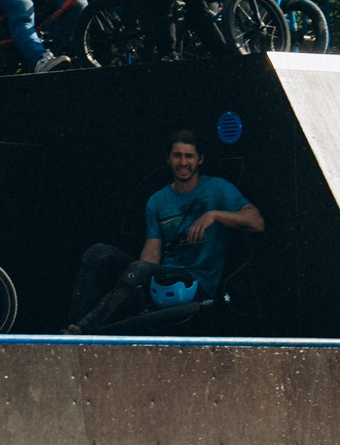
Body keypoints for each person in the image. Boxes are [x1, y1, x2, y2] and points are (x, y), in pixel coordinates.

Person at [68, 130, 265, 333]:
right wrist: (138, 277)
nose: (183, 162)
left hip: (195, 284)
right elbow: (152, 253)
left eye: (189, 156)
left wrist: (214, 215)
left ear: (200, 159)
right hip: (162, 280)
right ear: (168, 159)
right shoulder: (156, 201)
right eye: (177, 155)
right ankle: (72, 327)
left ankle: (84, 328)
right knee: (98, 253)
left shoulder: (218, 188)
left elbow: (256, 222)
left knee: (140, 270)